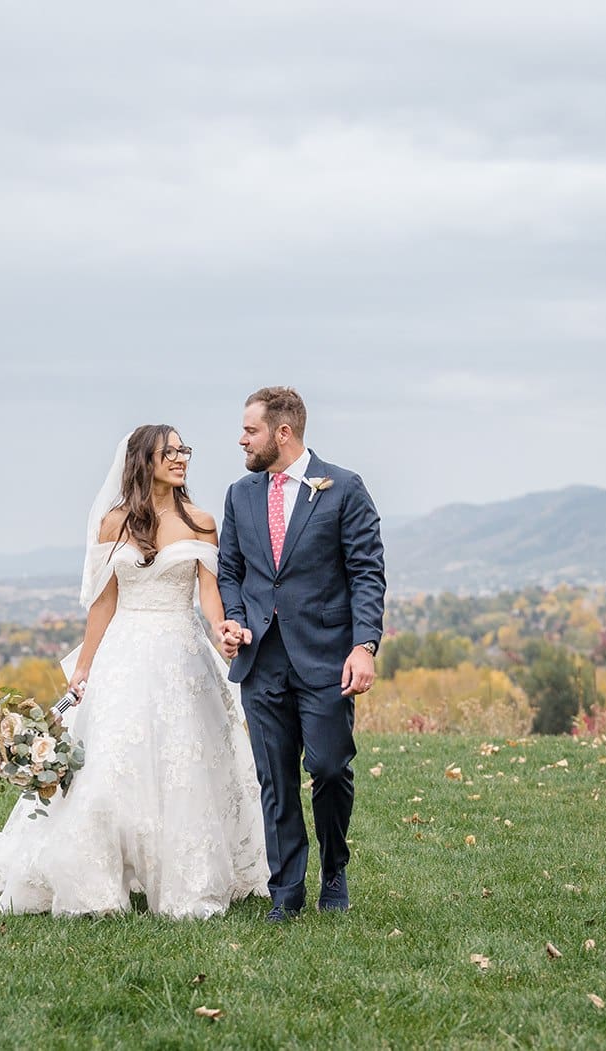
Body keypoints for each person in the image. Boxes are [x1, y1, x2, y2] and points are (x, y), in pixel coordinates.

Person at [0, 425, 269, 919]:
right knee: (109, 771)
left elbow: (210, 597)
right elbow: (103, 605)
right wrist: (83, 669)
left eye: (184, 450)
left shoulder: (202, 522)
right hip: (124, 654)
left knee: (185, 766)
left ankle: (188, 882)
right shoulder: (113, 524)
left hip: (182, 657)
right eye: (170, 452)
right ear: (144, 461)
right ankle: (96, 885)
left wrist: (225, 631)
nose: (181, 458)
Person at [216, 387, 386, 923]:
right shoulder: (240, 495)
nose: (241, 439)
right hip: (261, 661)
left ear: (282, 433)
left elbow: (366, 571)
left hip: (327, 658)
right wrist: (237, 621)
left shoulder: (344, 488)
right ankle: (285, 890)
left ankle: (334, 869)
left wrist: (364, 645)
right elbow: (231, 572)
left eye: (251, 430)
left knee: (331, 769)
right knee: (276, 779)